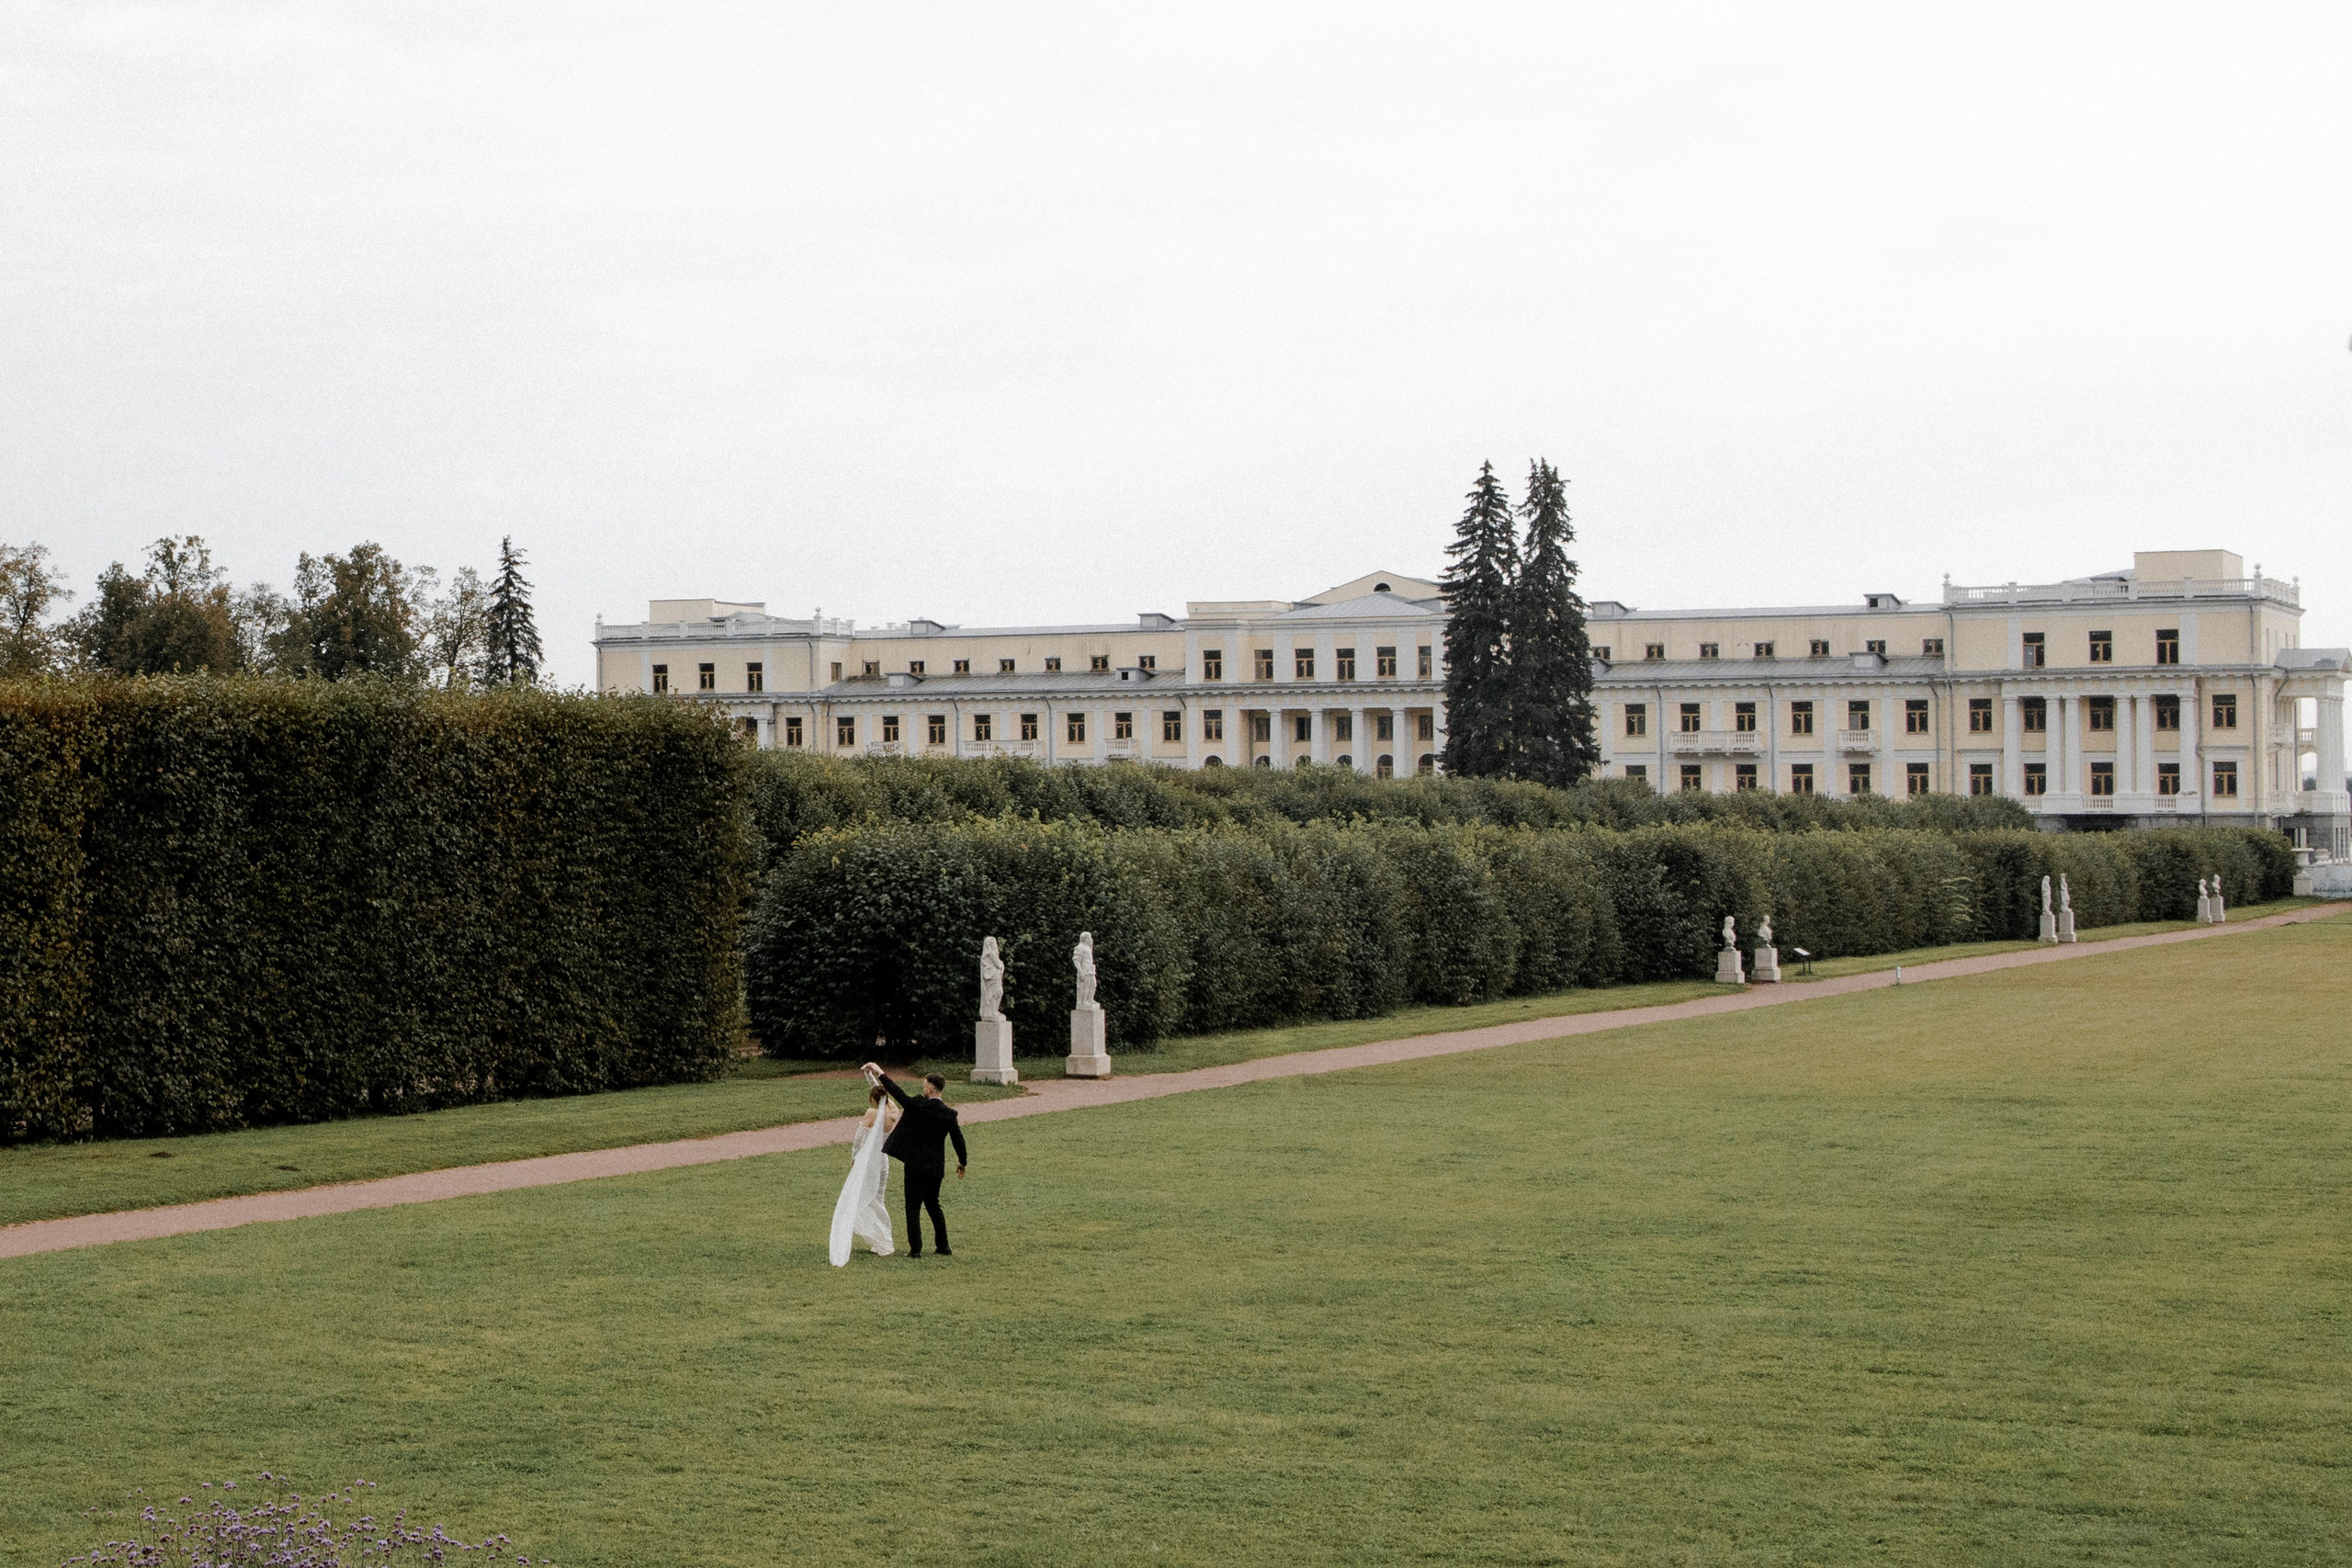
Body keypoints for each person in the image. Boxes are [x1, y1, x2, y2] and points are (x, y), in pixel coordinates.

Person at [864, 1064, 968, 1258]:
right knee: (933, 1204)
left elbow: (898, 1093)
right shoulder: (949, 1114)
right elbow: (958, 1140)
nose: (923, 1088)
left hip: (915, 1164)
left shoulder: (919, 1104)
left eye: (924, 1085)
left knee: (913, 1206)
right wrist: (962, 1162)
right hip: (935, 1166)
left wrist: (880, 1073)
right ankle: (943, 1246)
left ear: (929, 1088)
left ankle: (916, 1249)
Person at [828, 1083, 899, 1267]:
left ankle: (883, 1240)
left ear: (872, 1099)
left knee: (863, 1198)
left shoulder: (871, 1114)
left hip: (868, 1163)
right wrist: (872, 1075)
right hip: (883, 1162)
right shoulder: (893, 1113)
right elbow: (882, 1093)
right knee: (879, 1199)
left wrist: (854, 1157)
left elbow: (858, 1139)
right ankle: (881, 1239)